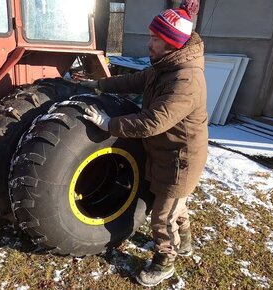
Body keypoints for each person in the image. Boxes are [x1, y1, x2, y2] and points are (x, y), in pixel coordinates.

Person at [82, 0, 207, 287]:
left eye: (155, 39)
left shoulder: (185, 80)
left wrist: (108, 124)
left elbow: (153, 122)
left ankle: (165, 262)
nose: (149, 43)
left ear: (172, 44)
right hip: (167, 153)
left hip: (181, 161)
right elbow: (135, 81)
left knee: (162, 217)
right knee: (177, 206)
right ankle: (185, 243)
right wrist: (100, 85)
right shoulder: (167, 66)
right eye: (151, 37)